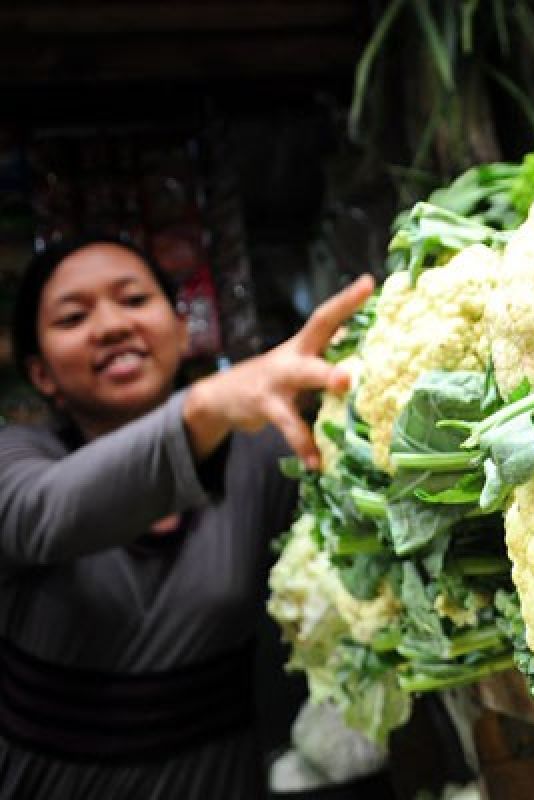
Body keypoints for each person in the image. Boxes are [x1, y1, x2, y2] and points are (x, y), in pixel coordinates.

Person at [0, 235, 374, 799]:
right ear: (42, 373)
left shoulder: (259, 457)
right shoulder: (16, 460)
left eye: (133, 300)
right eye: (73, 316)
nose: (110, 325)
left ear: (180, 330)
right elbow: (44, 514)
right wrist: (205, 404)